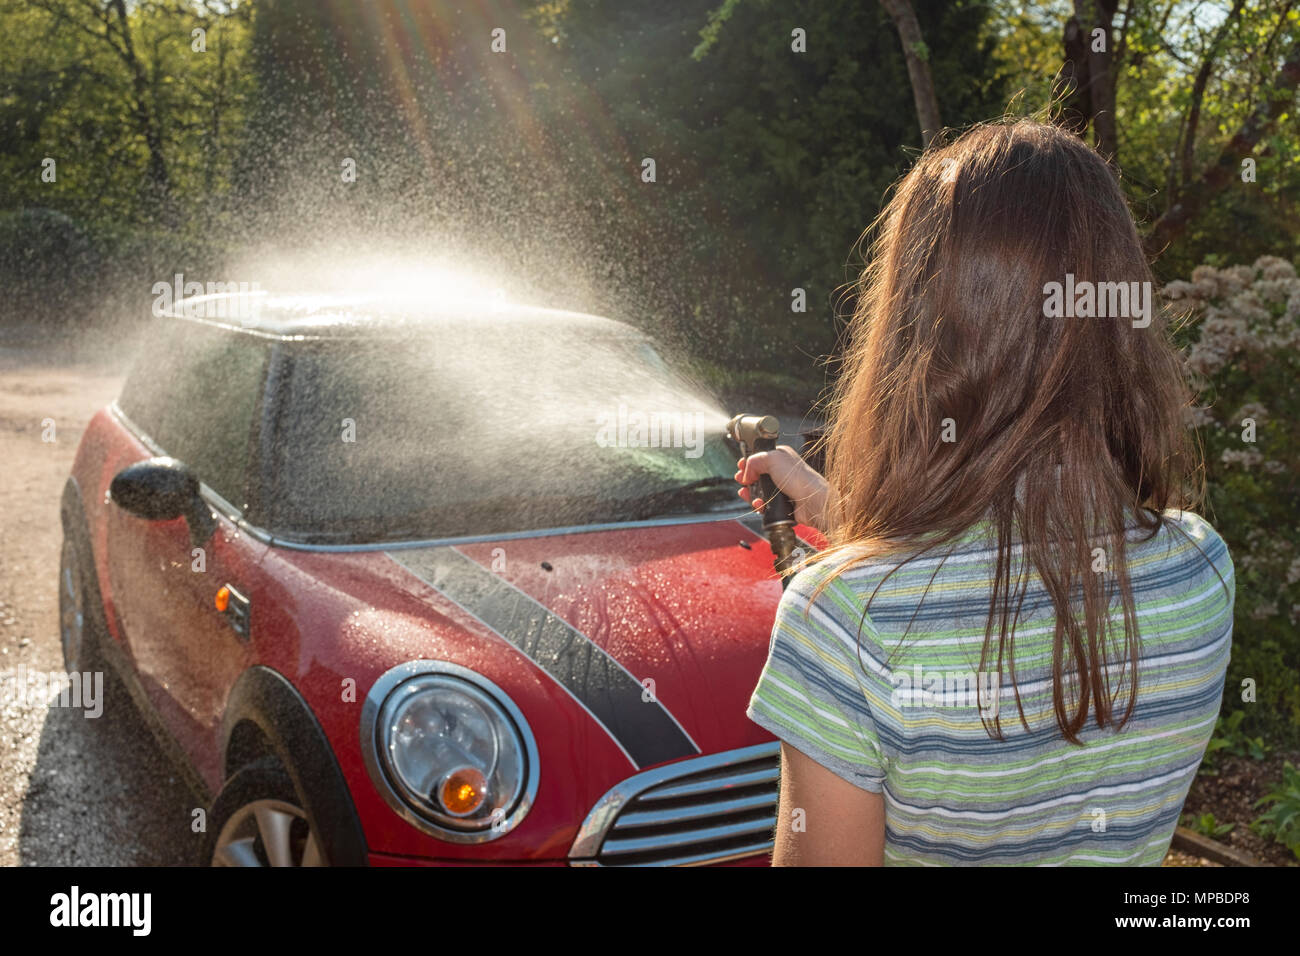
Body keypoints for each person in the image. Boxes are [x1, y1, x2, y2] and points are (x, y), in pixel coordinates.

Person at [735, 118, 1234, 866]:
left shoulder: (839, 623)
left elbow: (931, 601)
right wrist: (834, 512)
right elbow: (1007, 572)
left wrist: (848, 577)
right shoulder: (1201, 568)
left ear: (917, 329)